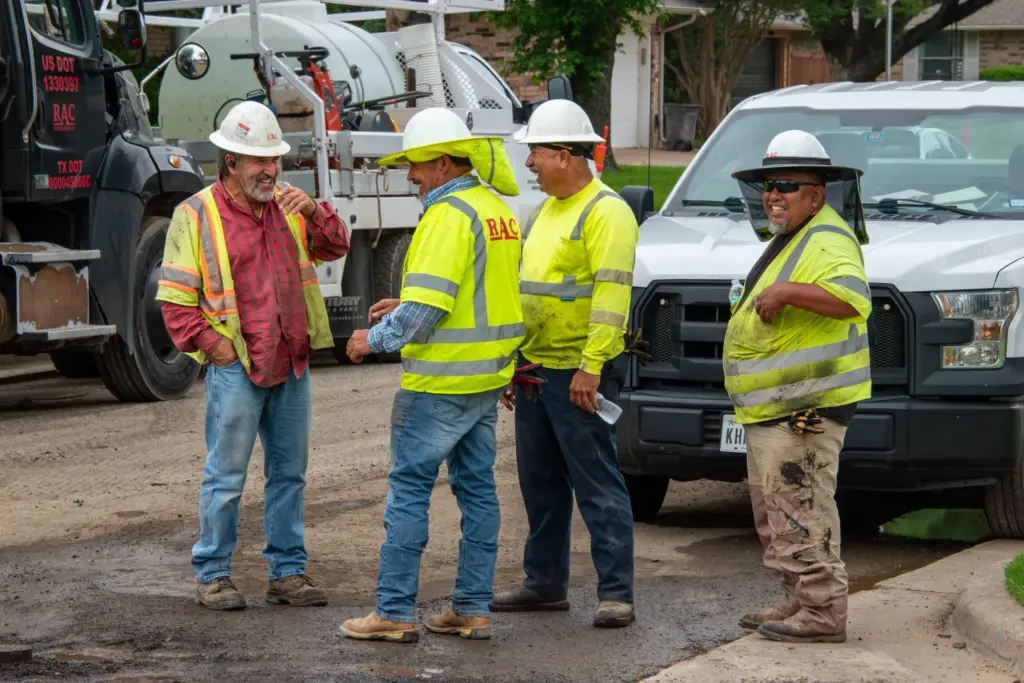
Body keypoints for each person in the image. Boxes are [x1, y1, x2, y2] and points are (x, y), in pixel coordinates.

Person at [156, 100, 351, 611]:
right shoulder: (194, 215)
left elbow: (336, 245)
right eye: (258, 161)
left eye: (274, 161)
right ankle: (214, 573)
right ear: (231, 163)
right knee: (226, 475)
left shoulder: (289, 209)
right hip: (238, 365)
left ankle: (287, 573)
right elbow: (175, 304)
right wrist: (217, 348)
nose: (270, 171)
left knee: (290, 474)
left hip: (291, 359)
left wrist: (314, 209)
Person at [339, 107, 524, 643]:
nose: (410, 176)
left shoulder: (447, 215)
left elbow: (425, 315)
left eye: (416, 166)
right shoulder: (495, 209)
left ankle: (393, 612)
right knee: (478, 492)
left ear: (443, 164)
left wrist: (368, 340)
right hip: (484, 380)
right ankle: (471, 606)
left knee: (408, 490)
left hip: (438, 385)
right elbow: (476, 293)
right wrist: (409, 300)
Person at [489, 99, 639, 628]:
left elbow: (611, 296)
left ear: (566, 154)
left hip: (579, 372)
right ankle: (545, 583)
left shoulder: (607, 212)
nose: (528, 164)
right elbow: (527, 291)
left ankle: (616, 592)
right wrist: (515, 360)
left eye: (535, 153)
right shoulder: (544, 212)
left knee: (596, 482)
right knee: (540, 483)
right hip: (536, 370)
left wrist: (592, 366)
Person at [724, 129, 872, 644]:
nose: (774, 194)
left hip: (804, 411)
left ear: (817, 194)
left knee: (800, 510)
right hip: (777, 409)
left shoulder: (827, 238)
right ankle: (797, 599)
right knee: (777, 511)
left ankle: (822, 613)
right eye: (769, 184)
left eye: (788, 185)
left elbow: (854, 299)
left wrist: (786, 291)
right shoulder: (796, 237)